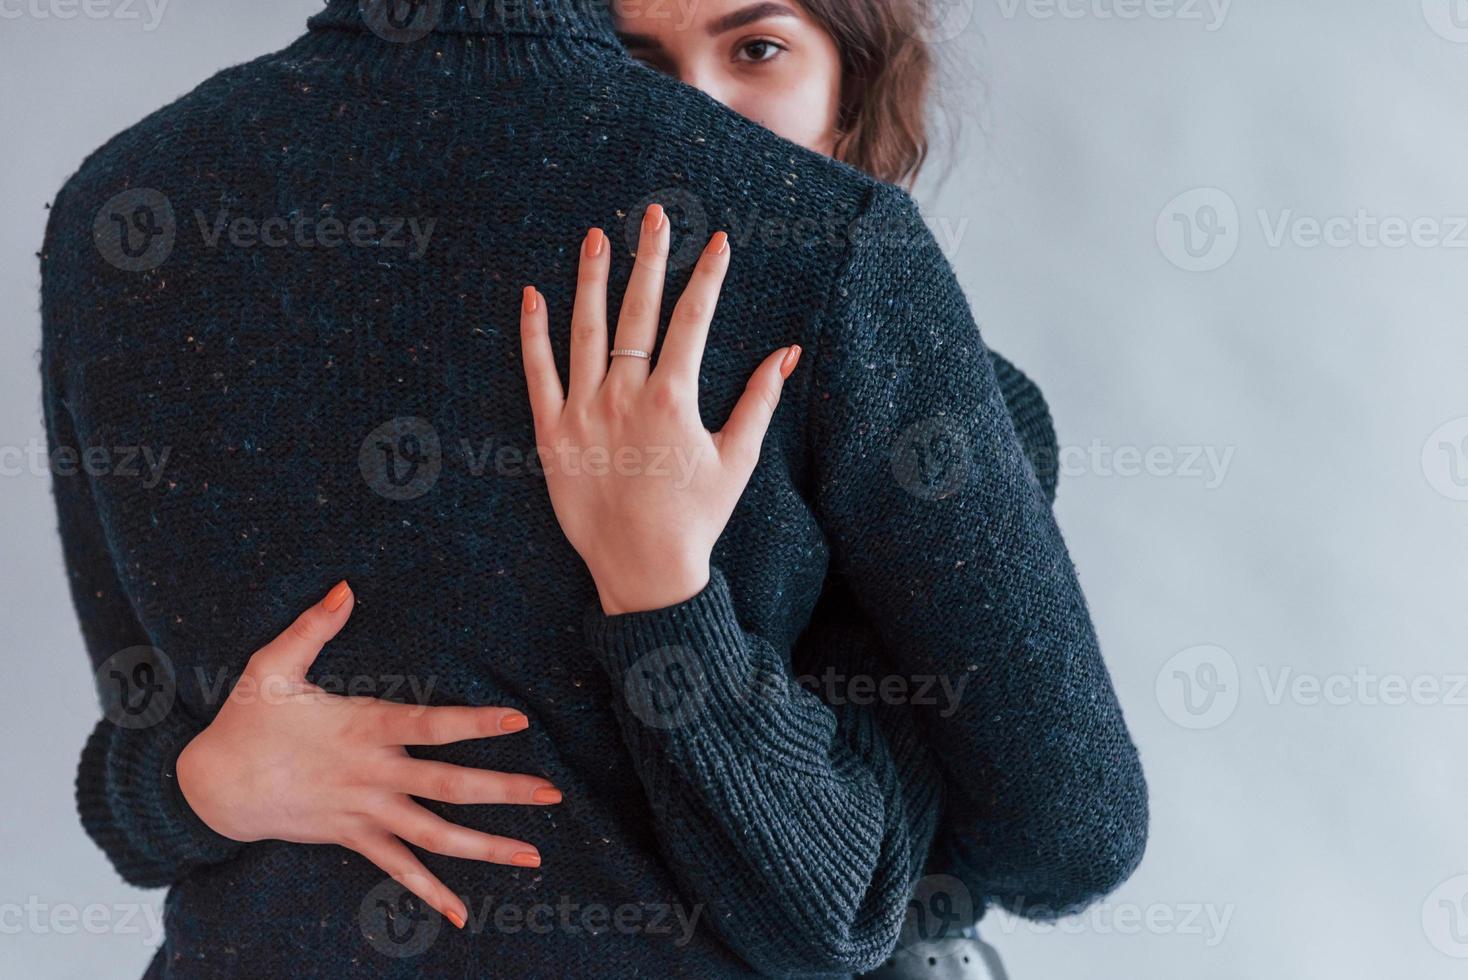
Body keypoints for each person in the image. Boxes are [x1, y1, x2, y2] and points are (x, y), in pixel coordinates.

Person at [42, 2, 1144, 978]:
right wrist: (195, 782)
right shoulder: (836, 262)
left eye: (756, 47)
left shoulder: (116, 208)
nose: (692, 115)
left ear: (858, 83)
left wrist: (661, 588)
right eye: (637, 58)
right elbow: (1053, 838)